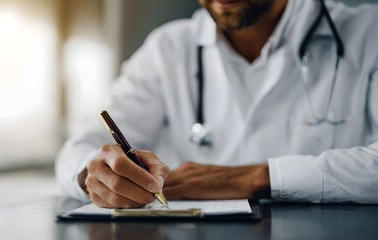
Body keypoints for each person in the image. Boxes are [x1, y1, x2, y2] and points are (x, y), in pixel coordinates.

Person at [56, 0, 378, 208]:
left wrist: (258, 178)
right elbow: (77, 151)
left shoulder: (369, 32)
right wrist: (98, 176)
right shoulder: (168, 47)